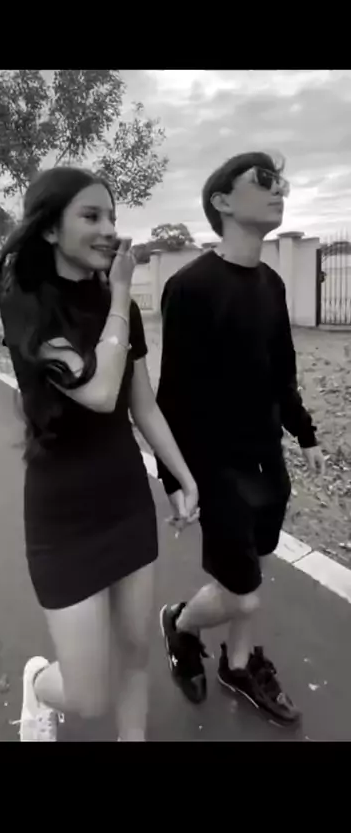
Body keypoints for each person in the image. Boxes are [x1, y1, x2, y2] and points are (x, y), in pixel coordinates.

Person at [0, 166, 199, 742]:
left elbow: (142, 406)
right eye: (91, 215)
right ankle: (39, 684)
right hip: (63, 516)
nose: (109, 228)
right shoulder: (28, 306)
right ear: (50, 230)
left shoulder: (119, 310)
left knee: (135, 653)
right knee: (88, 695)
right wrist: (120, 293)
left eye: (112, 215)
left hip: (125, 501)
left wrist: (182, 476)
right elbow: (99, 391)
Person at [156, 151, 326, 727]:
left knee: (252, 565)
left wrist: (304, 433)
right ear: (222, 201)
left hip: (264, 458)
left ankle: (237, 662)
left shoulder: (271, 284)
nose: (280, 191)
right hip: (215, 465)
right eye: (265, 181)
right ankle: (180, 624)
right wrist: (174, 477)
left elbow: (281, 371)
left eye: (283, 183)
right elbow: (173, 392)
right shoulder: (190, 287)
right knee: (244, 591)